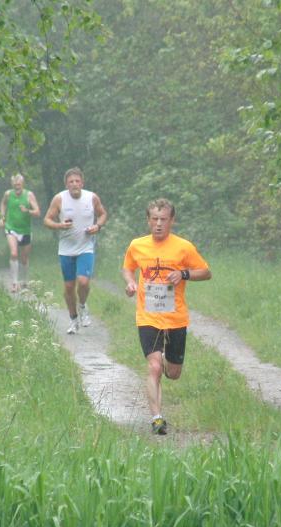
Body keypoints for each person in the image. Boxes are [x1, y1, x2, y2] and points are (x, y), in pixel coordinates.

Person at [121, 198, 211, 435]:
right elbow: (128, 267)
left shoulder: (183, 247)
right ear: (148, 220)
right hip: (148, 316)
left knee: (173, 373)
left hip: (176, 318)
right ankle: (157, 418)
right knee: (154, 367)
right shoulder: (137, 245)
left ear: (172, 221)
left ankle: (165, 360)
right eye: (154, 219)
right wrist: (130, 282)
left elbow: (205, 272)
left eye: (163, 219)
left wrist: (183, 274)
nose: (158, 224)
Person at [44, 167, 108, 334]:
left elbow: (102, 214)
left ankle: (83, 305)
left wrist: (97, 226)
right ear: (66, 185)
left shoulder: (91, 197)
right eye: (71, 182)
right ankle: (73, 320)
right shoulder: (59, 199)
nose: (74, 184)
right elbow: (47, 220)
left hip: (86, 247)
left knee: (84, 282)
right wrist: (60, 226)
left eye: (77, 181)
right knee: (69, 287)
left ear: (82, 183)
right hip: (66, 249)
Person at [0, 173, 41, 293]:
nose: (17, 186)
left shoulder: (29, 195)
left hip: (25, 230)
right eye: (15, 184)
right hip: (11, 228)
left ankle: (25, 280)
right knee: (13, 253)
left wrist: (27, 210)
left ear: (23, 184)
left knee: (24, 258)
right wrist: (2, 218)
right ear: (12, 184)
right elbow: (3, 204)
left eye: (19, 184)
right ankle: (14, 283)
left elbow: (38, 212)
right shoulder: (8, 194)